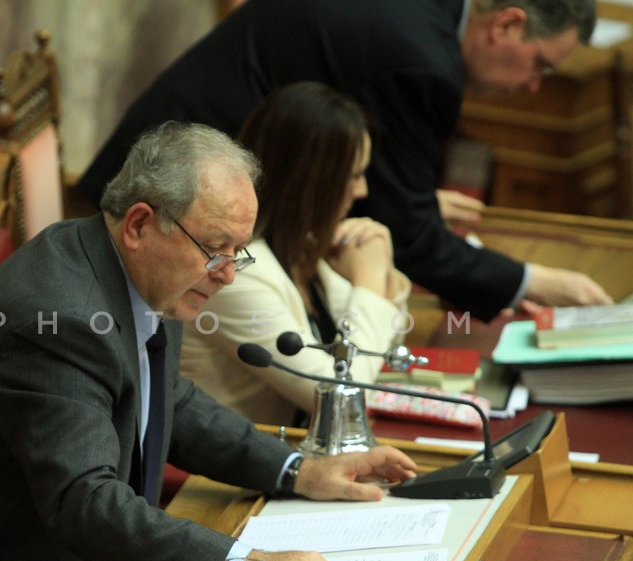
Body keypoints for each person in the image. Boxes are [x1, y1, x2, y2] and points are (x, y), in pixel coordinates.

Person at [0, 122, 417, 561]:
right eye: (215, 249)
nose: (226, 274)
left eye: (237, 253)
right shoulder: (61, 319)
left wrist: (298, 470)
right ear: (139, 224)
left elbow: (166, 400)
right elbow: (85, 499)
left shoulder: (141, 272)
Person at [78, 0, 612, 323]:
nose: (534, 86)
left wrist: (409, 197)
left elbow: (372, 176)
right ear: (507, 25)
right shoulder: (424, 64)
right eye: (539, 64)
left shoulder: (425, 23)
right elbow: (413, 239)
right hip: (172, 217)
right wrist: (531, 280)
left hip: (163, 161)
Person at [181, 82, 410, 427]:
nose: (362, 191)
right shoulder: (238, 274)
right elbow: (341, 396)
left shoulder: (301, 250)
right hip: (227, 474)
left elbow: (387, 352)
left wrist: (382, 272)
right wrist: (371, 280)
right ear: (313, 182)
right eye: (354, 176)